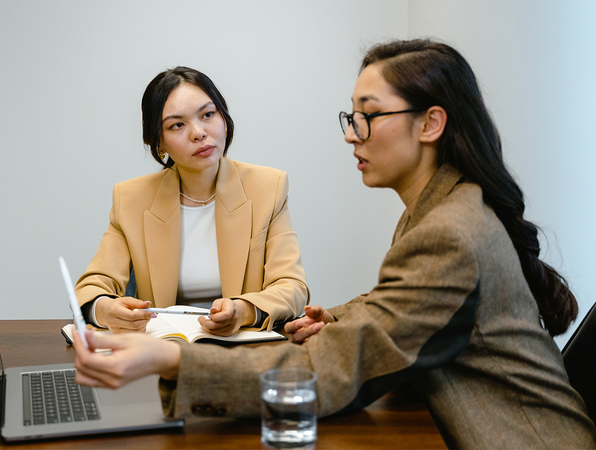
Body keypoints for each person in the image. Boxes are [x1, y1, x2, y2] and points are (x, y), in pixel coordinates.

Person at [74, 40, 596, 448]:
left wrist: (167, 361)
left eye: (368, 116)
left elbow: (326, 370)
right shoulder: (443, 207)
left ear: (431, 123)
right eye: (352, 116)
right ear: (158, 142)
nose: (352, 134)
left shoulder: (447, 230)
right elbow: (398, 306)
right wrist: (341, 319)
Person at [75, 67, 309, 336]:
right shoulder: (131, 199)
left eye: (208, 115)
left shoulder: (269, 187)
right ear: (158, 143)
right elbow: (92, 286)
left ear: (224, 118)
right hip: (163, 353)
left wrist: (243, 310)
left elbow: (292, 286)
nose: (199, 132)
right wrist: (105, 310)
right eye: (177, 125)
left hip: (242, 350)